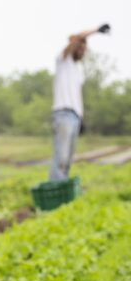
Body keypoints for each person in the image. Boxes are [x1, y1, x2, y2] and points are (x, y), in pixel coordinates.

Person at [49, 23, 110, 181]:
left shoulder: (77, 70)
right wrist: (96, 31)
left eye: (84, 48)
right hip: (63, 113)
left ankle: (62, 191)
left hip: (75, 116)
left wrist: (81, 118)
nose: (82, 50)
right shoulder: (63, 60)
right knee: (61, 157)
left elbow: (77, 96)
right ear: (73, 46)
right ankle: (55, 191)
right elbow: (79, 37)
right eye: (80, 47)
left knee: (68, 159)